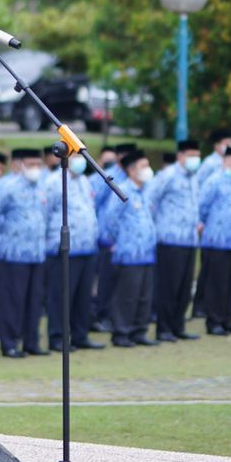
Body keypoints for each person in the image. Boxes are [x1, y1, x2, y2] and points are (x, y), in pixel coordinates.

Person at [44, 150, 104, 352]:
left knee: (83, 296)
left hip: (87, 247)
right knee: (61, 295)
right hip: (64, 247)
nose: (79, 161)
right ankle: (58, 336)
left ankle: (81, 334)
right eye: (75, 156)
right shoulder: (54, 181)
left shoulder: (85, 181)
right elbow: (46, 212)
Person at [0, 148, 48, 357]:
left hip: (37, 252)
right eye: (31, 164)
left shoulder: (42, 187)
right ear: (21, 165)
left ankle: (31, 341)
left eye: (38, 164)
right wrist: (5, 237)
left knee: (35, 301)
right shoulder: (8, 186)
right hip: (14, 251)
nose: (35, 169)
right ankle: (10, 343)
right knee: (13, 300)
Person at [148, 139, 202, 342]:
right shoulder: (167, 175)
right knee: (168, 286)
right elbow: (150, 199)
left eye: (197, 156)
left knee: (185, 287)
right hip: (170, 239)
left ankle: (178, 325)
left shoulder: (194, 178)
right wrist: (157, 225)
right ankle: (164, 328)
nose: (195, 159)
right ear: (180, 157)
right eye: (191, 155)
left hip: (189, 239)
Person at [102, 148, 157, 347]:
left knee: (144, 295)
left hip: (146, 252)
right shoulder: (122, 190)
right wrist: (121, 240)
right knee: (127, 296)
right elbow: (111, 219)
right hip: (128, 252)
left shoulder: (145, 191)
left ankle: (139, 331)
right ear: (132, 170)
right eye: (144, 166)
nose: (148, 170)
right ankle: (121, 332)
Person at [198, 144, 231, 335]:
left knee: (230, 282)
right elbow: (202, 206)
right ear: (225, 162)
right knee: (216, 283)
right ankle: (214, 321)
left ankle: (227, 319)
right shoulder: (214, 181)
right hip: (217, 240)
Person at [192, 129, 231, 320]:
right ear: (217, 145)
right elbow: (200, 188)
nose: (230, 145)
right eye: (226, 142)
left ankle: (209, 304)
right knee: (208, 267)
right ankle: (200, 305)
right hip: (209, 223)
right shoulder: (210, 164)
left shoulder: (230, 165)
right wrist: (200, 219)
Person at [91, 143, 122, 332]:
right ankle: (98, 315)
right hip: (101, 237)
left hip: (117, 241)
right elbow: (96, 204)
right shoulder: (99, 178)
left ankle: (109, 315)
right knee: (100, 283)